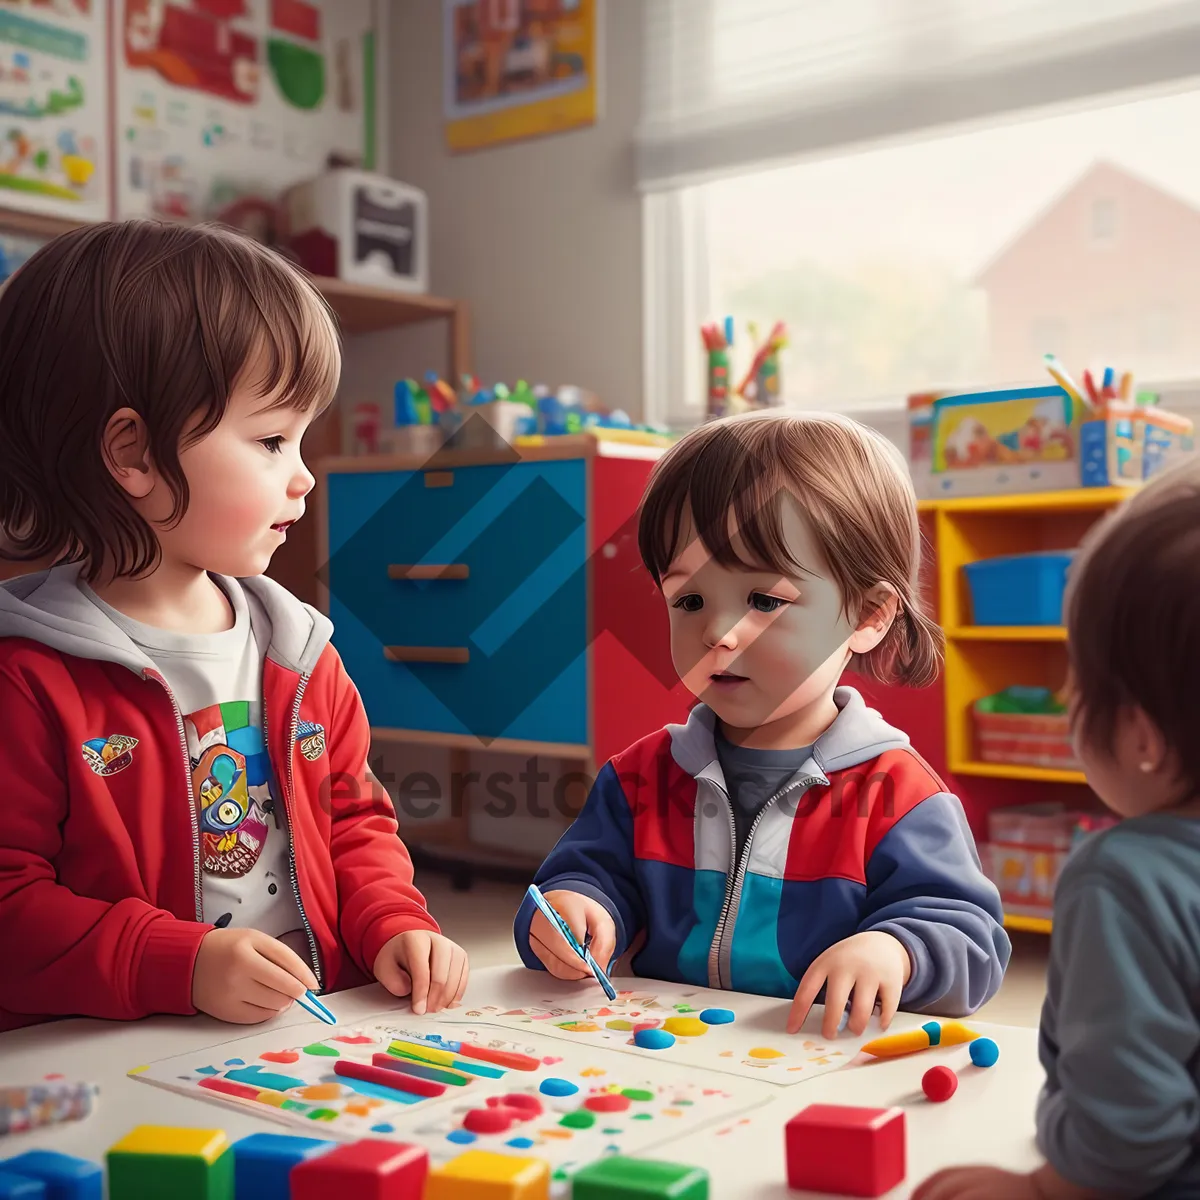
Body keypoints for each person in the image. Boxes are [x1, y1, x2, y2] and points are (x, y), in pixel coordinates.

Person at [0, 220, 467, 1033]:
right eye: (271, 440)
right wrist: (174, 964)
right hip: (118, 1050)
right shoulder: (28, 678)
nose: (305, 475)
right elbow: (10, 900)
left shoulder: (301, 654)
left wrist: (394, 922)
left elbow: (354, 823)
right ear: (132, 454)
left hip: (301, 1034)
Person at [513, 411, 1009, 1037]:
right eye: (688, 600)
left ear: (869, 615)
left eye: (765, 601)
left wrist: (897, 950)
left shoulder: (903, 796)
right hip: (665, 1055)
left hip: (821, 1066)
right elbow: (581, 878)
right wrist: (572, 911)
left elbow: (972, 941)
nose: (718, 633)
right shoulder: (638, 777)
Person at [915, 459, 1200, 1200]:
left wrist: (1046, 1189)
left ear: (1142, 735)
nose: (1068, 695)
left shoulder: (1128, 878)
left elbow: (1131, 1128)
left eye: (1077, 676)